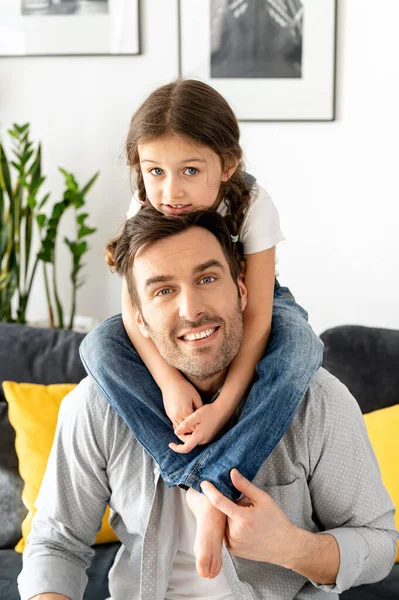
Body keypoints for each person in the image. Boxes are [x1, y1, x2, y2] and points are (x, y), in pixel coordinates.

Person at [19, 209, 398, 600]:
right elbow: (56, 544)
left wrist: (291, 547)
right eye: (163, 290)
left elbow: (379, 544)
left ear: (242, 289)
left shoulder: (317, 400)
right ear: (139, 321)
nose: (191, 309)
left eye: (207, 278)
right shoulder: (95, 406)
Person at [79, 78, 324, 578]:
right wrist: (169, 382)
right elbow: (133, 313)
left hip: (252, 303)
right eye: (155, 172)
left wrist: (223, 408)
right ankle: (192, 479)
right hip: (168, 312)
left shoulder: (253, 204)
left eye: (190, 170)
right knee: (99, 345)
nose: (171, 191)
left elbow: (255, 316)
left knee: (301, 347)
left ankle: (210, 484)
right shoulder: (144, 207)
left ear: (227, 165)